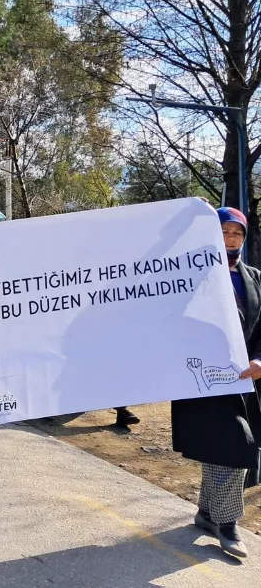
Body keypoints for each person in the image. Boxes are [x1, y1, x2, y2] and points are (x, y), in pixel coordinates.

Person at [172, 206, 261, 560]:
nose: (231, 239)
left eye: (236, 233)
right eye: (224, 232)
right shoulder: (186, 277)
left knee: (223, 447)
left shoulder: (254, 277)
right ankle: (226, 524)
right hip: (204, 383)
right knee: (236, 446)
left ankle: (207, 513)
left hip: (246, 383)